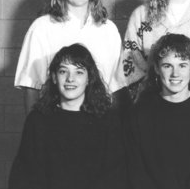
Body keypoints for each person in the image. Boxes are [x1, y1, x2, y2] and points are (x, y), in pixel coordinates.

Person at [15, 0, 126, 113]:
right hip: (56, 120)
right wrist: (35, 130)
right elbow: (32, 87)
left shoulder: (108, 29)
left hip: (98, 121)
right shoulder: (42, 27)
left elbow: (116, 88)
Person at [9, 44, 126, 189]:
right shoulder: (38, 120)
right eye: (63, 71)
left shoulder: (107, 120)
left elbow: (115, 176)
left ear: (89, 78)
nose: (70, 79)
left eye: (79, 72)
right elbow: (24, 175)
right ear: (54, 77)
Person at [126, 33, 190, 189]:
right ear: (157, 69)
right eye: (167, 66)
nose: (175, 74)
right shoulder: (139, 112)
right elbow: (135, 173)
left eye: (182, 65)